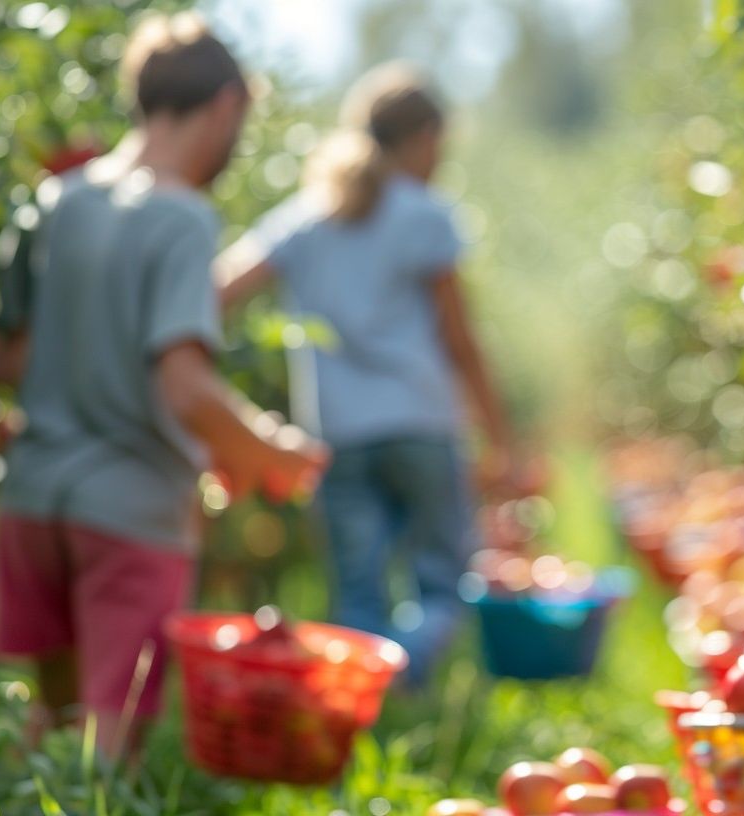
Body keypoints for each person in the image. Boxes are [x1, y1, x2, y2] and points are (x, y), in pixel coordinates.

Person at [0, 13, 329, 757]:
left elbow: (1, 359)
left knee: (49, 735)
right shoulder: (181, 219)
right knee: (110, 747)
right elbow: (187, 389)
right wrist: (270, 449)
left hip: (32, 498)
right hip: (129, 514)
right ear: (228, 105)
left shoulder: (55, 201)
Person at [216, 63, 514, 685]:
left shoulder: (307, 214)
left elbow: (219, 289)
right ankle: (402, 678)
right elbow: (460, 339)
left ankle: (357, 707)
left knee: (357, 597)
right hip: (420, 423)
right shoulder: (426, 215)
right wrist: (498, 433)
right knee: (440, 584)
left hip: (337, 435)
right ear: (425, 138)